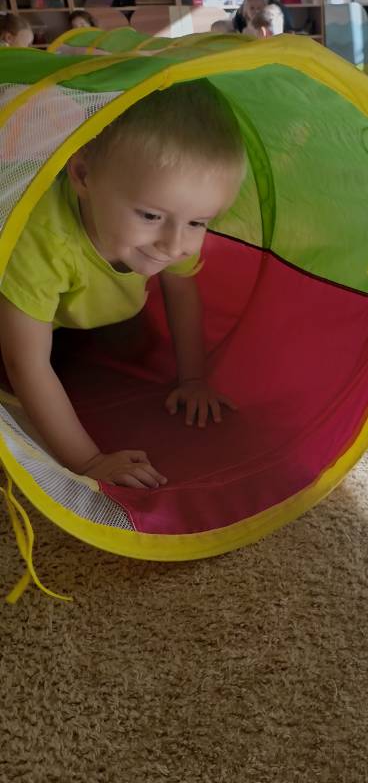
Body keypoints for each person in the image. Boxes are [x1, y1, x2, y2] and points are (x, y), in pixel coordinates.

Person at [0, 81, 246, 489]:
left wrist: (193, 380)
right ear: (83, 176)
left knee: (134, 350)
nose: (174, 244)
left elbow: (182, 292)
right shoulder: (42, 239)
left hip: (82, 304)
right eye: (150, 216)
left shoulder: (171, 228)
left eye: (198, 222)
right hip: (13, 300)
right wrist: (89, 461)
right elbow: (25, 362)